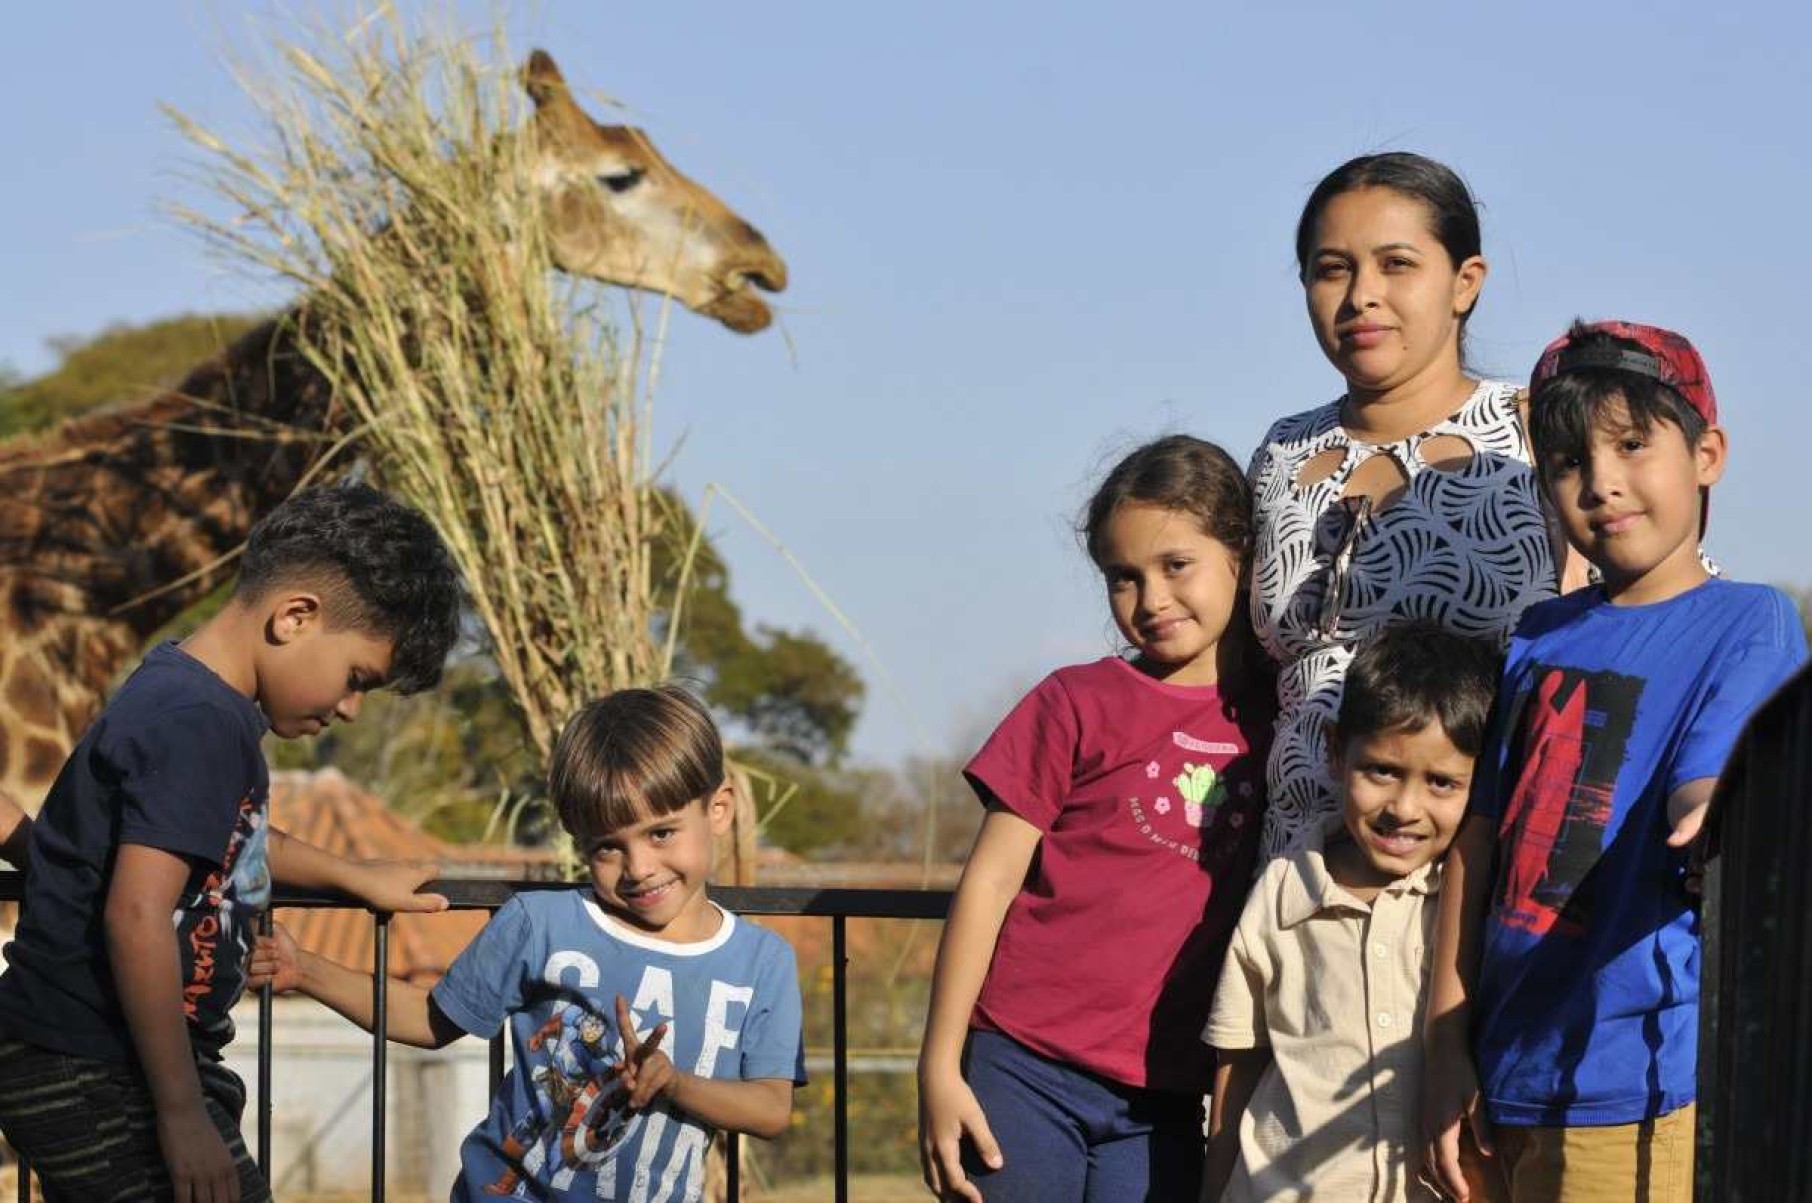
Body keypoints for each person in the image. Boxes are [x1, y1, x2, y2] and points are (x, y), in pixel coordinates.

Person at [1421, 321, 1809, 1202]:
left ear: (1707, 453)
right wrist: (1446, 1043)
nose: (1600, 482)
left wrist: (1720, 815)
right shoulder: (1536, 635)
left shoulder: (1749, 620)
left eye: (1633, 444)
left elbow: (1708, 782)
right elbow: (1477, 846)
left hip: (1634, 1084)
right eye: (1566, 461)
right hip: (1504, 1077)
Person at [0, 482, 464, 1203]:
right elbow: (136, 915)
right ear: (295, 616)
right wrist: (182, 1114)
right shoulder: (198, 723)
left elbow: (227, 836)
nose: (349, 707)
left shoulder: (186, 700)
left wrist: (352, 875)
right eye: (356, 679)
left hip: (104, 1060)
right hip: (92, 1062)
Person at [251, 684, 806, 1203]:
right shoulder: (539, 923)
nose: (638, 868)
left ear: (718, 811)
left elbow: (770, 1107)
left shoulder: (764, 962)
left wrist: (675, 1083)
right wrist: (306, 972)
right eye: (607, 847)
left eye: (661, 833)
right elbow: (431, 1018)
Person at [917, 435, 1274, 1202]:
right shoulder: (1073, 700)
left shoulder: (1284, 719)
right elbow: (989, 881)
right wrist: (939, 1065)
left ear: (1239, 555)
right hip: (1023, 1064)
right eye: (1123, 577)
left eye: (1176, 565)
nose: (1150, 599)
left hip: (1167, 1095)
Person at [1248, 151, 1576, 864]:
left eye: (1396, 264)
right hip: (1295, 892)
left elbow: (1662, 605)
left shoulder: (1536, 434)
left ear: (1465, 283)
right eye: (1333, 268)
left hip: (1483, 887)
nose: (1362, 294)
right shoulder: (1281, 452)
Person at [1203, 620, 1502, 1202]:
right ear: (1338, 753)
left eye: (1441, 782)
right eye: (1382, 771)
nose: (1404, 808)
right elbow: (1237, 1068)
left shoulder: (1478, 904)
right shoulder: (1284, 890)